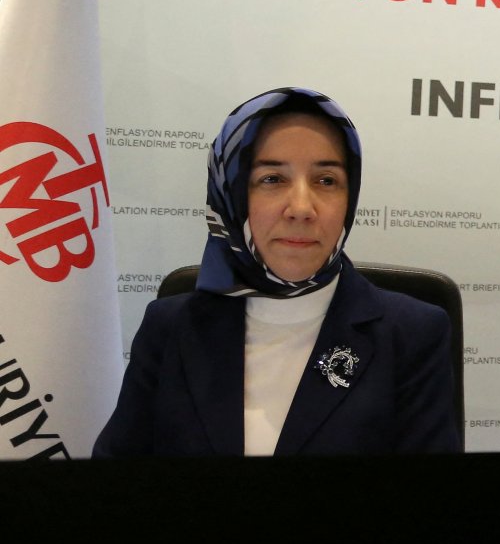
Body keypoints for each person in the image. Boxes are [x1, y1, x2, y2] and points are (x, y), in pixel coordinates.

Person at [95, 87, 461, 456]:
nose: (302, 207)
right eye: (272, 179)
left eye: (326, 181)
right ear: (231, 194)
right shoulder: (170, 327)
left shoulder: (413, 334)